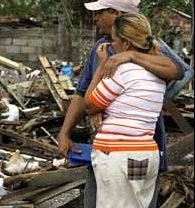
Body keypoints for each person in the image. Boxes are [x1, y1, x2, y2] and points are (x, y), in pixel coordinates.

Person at [57, 0, 191, 207]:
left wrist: (130, 61)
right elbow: (81, 93)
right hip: (128, 148)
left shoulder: (148, 49)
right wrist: (65, 132)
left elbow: (180, 71)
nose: (96, 18)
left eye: (100, 13)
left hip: (121, 151)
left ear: (117, 13)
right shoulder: (100, 47)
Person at [85, 13, 164, 207]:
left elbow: (89, 105)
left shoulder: (122, 72)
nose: (111, 45)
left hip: (118, 156)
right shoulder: (157, 73)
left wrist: (102, 65)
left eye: (113, 40)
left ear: (126, 43)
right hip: (144, 154)